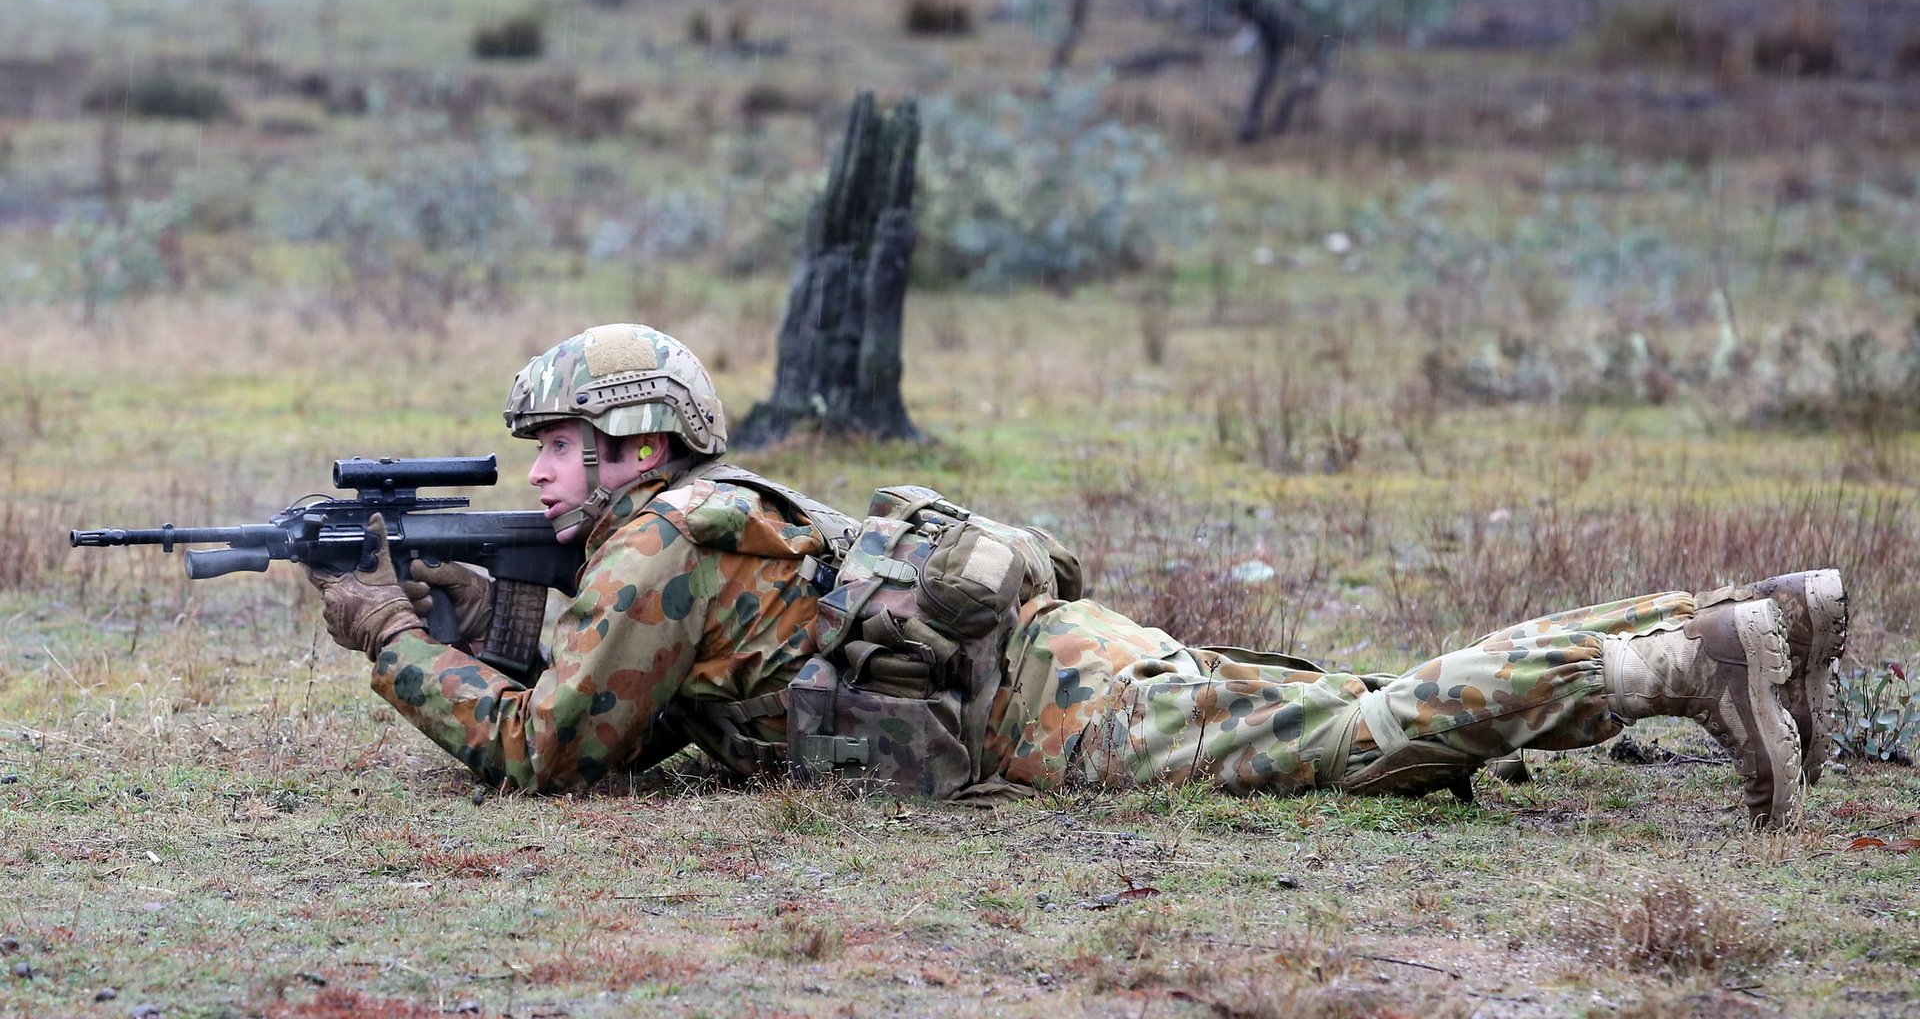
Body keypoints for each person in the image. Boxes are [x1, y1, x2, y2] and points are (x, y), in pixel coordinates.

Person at [307, 324, 1849, 827]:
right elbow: (642, 713)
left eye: (566, 444)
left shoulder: (655, 548)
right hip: (1053, 648)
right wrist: (488, 624)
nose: (542, 474)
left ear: (635, 443)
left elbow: (553, 755)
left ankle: (1678, 665)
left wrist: (389, 638)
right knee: (1366, 702)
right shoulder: (718, 510)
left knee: (1364, 740)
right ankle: (1760, 622)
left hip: (1051, 716)